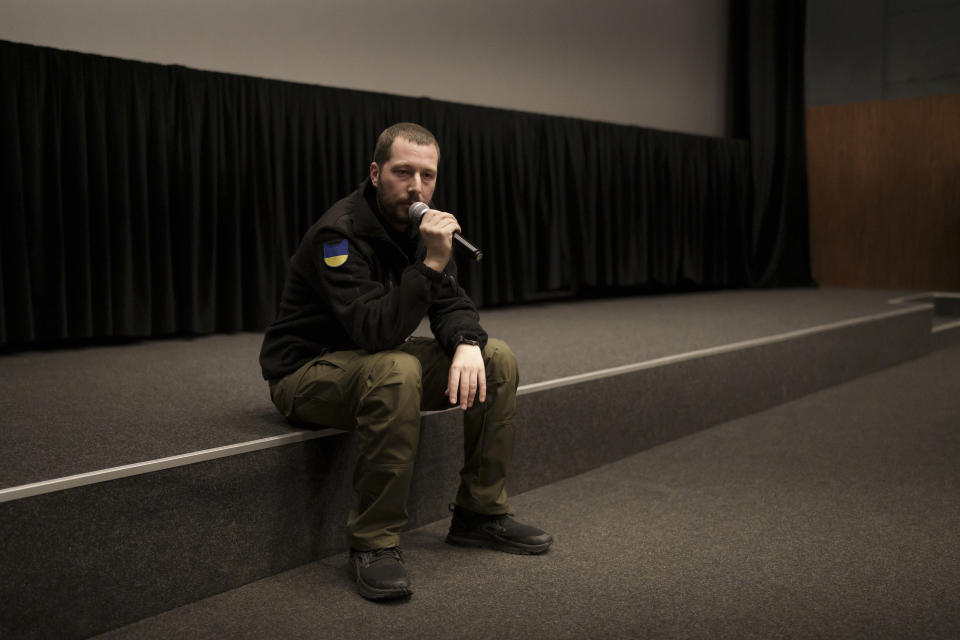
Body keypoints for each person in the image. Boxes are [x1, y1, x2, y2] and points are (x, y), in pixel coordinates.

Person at [258, 122, 552, 601]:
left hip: (369, 360)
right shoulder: (339, 234)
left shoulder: (422, 227)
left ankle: (480, 512)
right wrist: (432, 263)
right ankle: (374, 541)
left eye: (428, 175)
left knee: (494, 356)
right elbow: (374, 331)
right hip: (307, 371)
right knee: (398, 369)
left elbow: (451, 305)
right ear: (376, 173)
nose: (417, 187)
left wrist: (465, 342)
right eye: (403, 172)